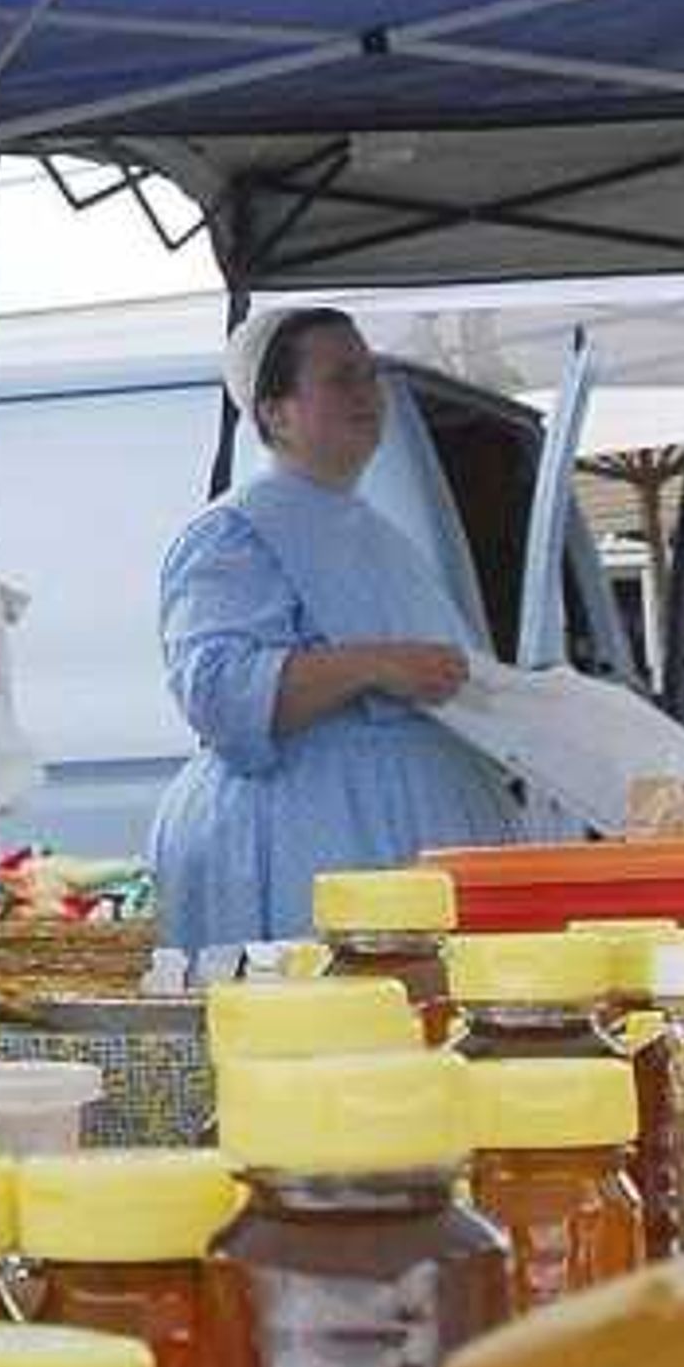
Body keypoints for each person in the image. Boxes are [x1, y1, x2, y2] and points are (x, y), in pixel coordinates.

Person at [146, 306, 512, 951]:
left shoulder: (380, 533)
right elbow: (217, 694)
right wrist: (371, 665)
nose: (366, 394)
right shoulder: (235, 532)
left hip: (401, 838)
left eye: (368, 376)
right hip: (302, 840)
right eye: (341, 378)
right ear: (275, 413)